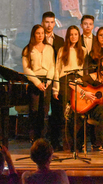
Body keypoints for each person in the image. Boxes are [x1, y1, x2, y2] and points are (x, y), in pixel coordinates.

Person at [52, 25, 86, 151]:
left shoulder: (83, 50)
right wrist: (56, 88)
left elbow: (84, 71)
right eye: (71, 34)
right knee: (66, 114)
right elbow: (57, 69)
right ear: (68, 36)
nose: (73, 37)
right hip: (64, 80)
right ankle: (68, 143)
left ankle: (78, 144)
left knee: (78, 113)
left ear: (79, 36)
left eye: (76, 34)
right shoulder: (62, 50)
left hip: (78, 81)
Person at [22, 24, 55, 143]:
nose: (40, 35)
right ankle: (33, 138)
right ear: (33, 34)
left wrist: (49, 81)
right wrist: (37, 82)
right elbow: (27, 69)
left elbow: (52, 66)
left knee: (44, 112)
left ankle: (43, 138)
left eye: (42, 33)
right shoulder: (28, 49)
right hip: (34, 81)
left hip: (47, 81)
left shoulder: (49, 48)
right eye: (38, 33)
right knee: (34, 111)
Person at [41, 11, 65, 151]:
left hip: (56, 80)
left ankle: (56, 142)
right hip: (42, 80)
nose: (49, 25)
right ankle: (42, 143)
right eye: (47, 22)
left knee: (57, 112)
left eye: (52, 22)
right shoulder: (37, 38)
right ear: (42, 23)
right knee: (42, 113)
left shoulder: (60, 41)